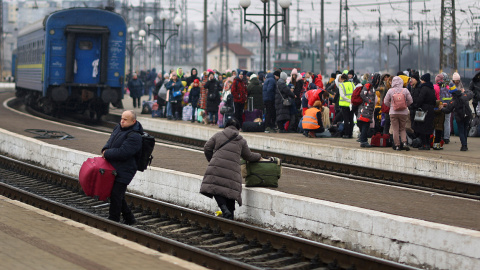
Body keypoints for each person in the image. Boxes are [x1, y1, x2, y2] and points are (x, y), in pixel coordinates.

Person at [200, 118, 261, 219]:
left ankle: (224, 209)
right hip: (233, 171)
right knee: (230, 192)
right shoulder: (241, 141)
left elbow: (207, 147)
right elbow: (249, 156)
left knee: (214, 188)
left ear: (226, 126)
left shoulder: (218, 135)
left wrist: (212, 160)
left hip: (216, 166)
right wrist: (259, 156)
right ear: (238, 128)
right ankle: (230, 218)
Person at [102, 110, 143, 225]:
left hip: (126, 169)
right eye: (121, 118)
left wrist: (107, 153)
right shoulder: (118, 128)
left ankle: (113, 220)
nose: (122, 121)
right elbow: (110, 141)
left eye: (125, 120)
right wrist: (105, 149)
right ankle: (129, 218)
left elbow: (123, 152)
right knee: (116, 194)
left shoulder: (135, 136)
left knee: (115, 194)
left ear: (133, 121)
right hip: (114, 168)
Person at [441, 81, 474, 151]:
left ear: (453, 93)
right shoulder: (464, 96)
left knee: (461, 131)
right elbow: (471, 93)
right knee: (465, 131)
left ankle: (464, 146)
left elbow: (448, 110)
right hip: (467, 116)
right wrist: (465, 91)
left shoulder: (454, 101)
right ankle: (465, 144)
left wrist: (441, 108)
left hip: (459, 117)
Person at [384, 76, 414, 150]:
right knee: (402, 128)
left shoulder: (390, 91)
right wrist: (405, 105)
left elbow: (385, 101)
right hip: (403, 113)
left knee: (395, 129)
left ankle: (397, 145)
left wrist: (391, 106)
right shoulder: (405, 90)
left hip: (393, 112)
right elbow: (411, 101)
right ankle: (404, 142)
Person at [412, 73, 436, 150]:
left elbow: (420, 99)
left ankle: (424, 144)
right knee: (428, 128)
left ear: (424, 80)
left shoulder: (424, 88)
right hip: (431, 110)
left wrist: (416, 105)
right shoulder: (432, 88)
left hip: (423, 110)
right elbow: (434, 101)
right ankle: (428, 144)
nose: (421, 81)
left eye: (422, 80)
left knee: (421, 128)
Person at [356, 75, 378, 148]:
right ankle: (363, 141)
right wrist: (369, 101)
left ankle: (364, 140)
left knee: (365, 125)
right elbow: (362, 94)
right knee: (365, 125)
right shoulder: (368, 86)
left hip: (368, 109)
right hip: (366, 109)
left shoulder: (372, 87)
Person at [338, 73, 356, 138]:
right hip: (352, 105)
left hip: (344, 105)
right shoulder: (352, 84)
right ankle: (350, 133)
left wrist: (348, 100)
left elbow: (342, 95)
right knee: (351, 119)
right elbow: (355, 93)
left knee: (346, 120)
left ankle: (346, 134)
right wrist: (351, 100)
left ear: (342, 79)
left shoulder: (341, 85)